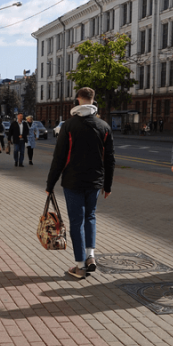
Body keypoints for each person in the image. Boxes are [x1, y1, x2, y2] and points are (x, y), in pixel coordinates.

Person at [46, 88, 115, 279]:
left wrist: (50, 184)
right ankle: (90, 256)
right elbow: (109, 159)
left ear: (77, 100)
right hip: (94, 182)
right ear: (93, 101)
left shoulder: (68, 126)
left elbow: (58, 158)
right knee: (90, 217)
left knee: (76, 221)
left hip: (73, 181)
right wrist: (107, 185)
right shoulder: (104, 127)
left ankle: (79, 266)